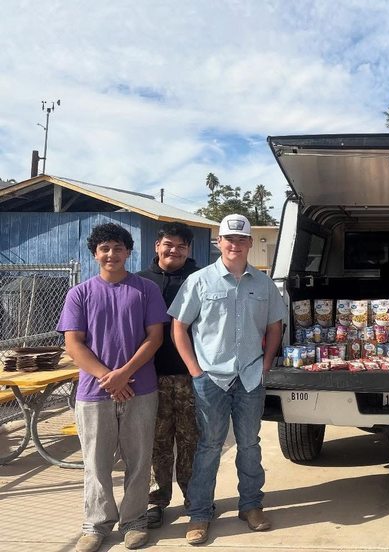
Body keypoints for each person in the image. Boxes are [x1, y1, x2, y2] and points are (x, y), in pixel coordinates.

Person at [169, 214, 285, 545]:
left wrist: (265, 365)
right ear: (219, 242)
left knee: (249, 444)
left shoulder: (264, 285)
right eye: (228, 239)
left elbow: (275, 326)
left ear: (250, 243)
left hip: (250, 378)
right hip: (211, 379)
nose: (235, 245)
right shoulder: (200, 281)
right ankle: (200, 514)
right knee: (208, 446)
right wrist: (195, 370)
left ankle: (251, 506)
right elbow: (179, 326)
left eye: (241, 239)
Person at [57, 223, 169, 552]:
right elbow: (73, 344)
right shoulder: (79, 293)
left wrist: (125, 373)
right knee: (96, 461)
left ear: (128, 253)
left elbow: (155, 337)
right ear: (95, 254)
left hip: (141, 388)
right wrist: (109, 377)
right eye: (105, 248)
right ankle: (96, 524)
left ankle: (134, 520)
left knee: (139, 459)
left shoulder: (146, 290)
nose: (111, 254)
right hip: (94, 393)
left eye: (118, 248)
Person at [137, 222, 201, 529]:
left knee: (191, 440)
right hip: (151, 377)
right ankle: (156, 501)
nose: (173, 250)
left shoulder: (200, 279)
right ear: (156, 246)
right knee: (157, 442)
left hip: (191, 375)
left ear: (189, 250)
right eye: (168, 244)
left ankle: (195, 498)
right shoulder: (139, 282)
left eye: (181, 246)